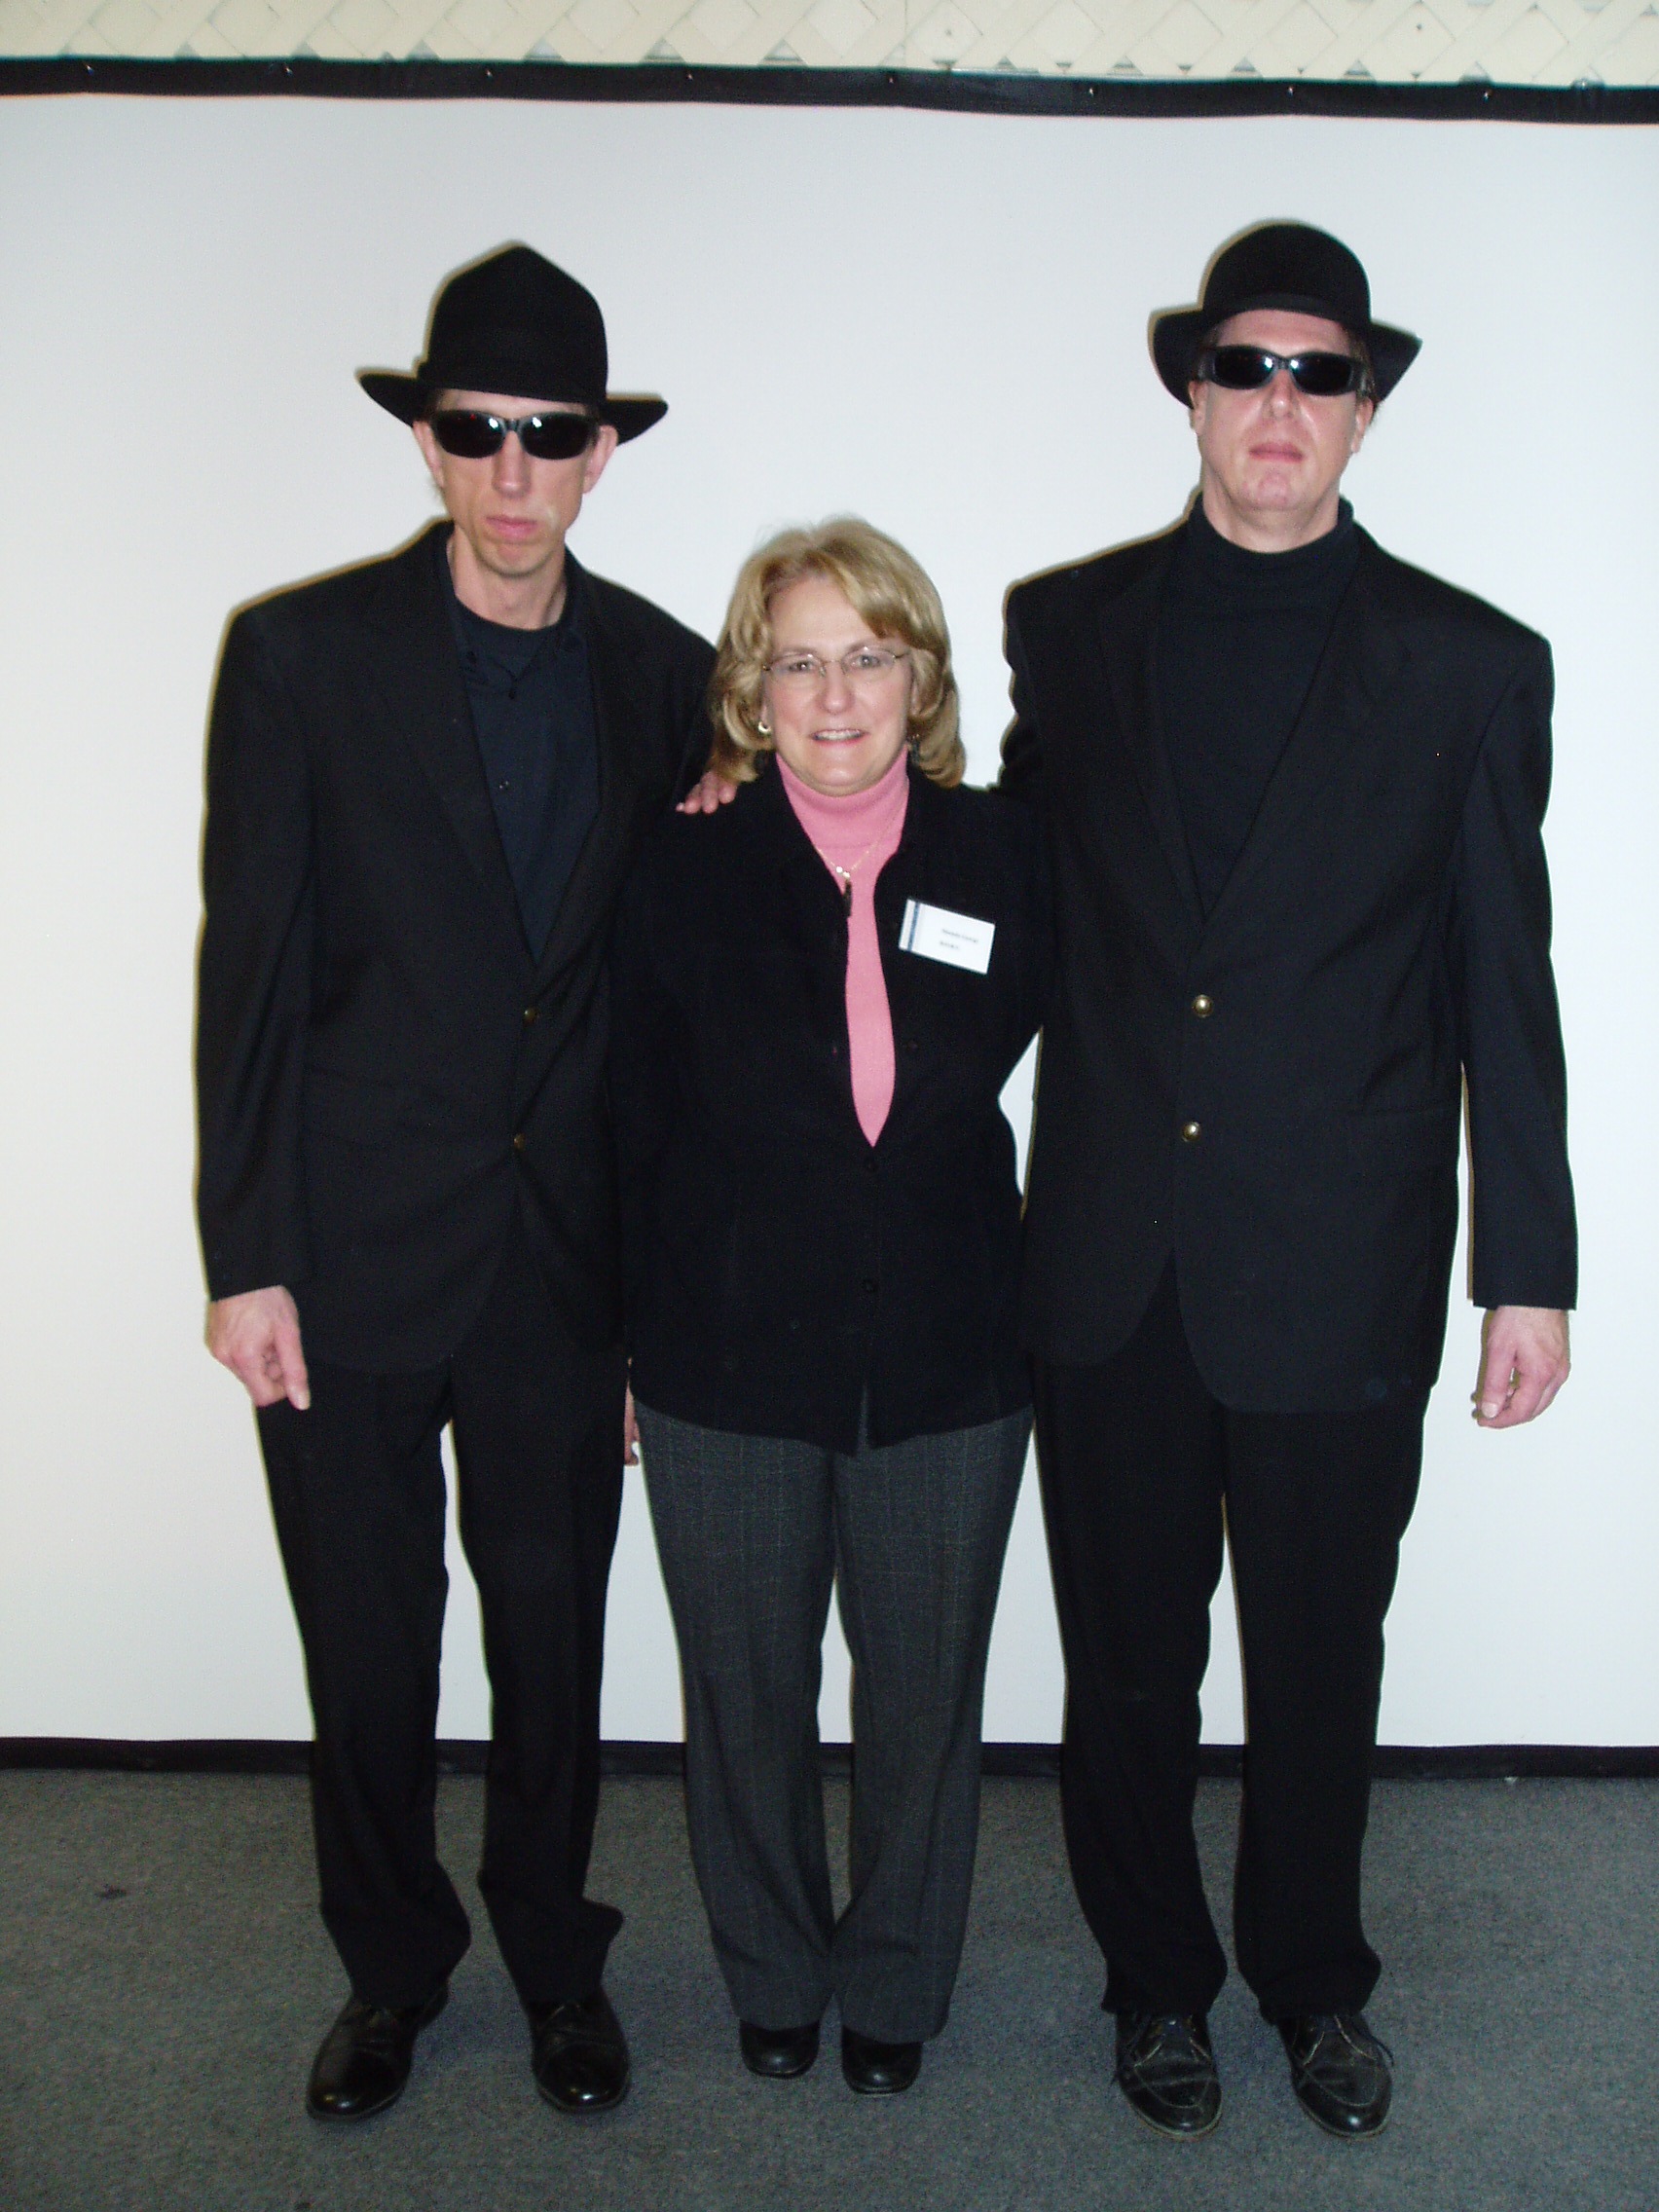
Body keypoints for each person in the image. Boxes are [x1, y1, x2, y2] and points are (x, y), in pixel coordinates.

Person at [1000, 222, 1576, 2141]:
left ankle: (1315, 1980)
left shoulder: (1471, 667)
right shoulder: (1070, 629)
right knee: (1126, 1666)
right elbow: (1015, 894)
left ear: (1364, 411)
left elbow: (1505, 978)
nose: (1280, 402)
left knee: (1323, 1661)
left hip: (1343, 1259)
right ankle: (1154, 1982)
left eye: (1320, 374)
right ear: (1193, 390)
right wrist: (786, 813)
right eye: (1246, 365)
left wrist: (1530, 1267)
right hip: (1113, 1258)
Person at [195, 244, 715, 2122]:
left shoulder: (671, 678)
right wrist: (247, 1256)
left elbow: (676, 1015)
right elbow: (250, 974)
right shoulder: (301, 658)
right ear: (426, 443)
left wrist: (666, 1302)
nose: (512, 468)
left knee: (553, 1634)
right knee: (366, 1639)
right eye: (476, 429)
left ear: (598, 455)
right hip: (344, 1251)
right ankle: (392, 1968)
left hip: (565, 1262)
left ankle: (560, 1961)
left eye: (547, 434)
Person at [608, 520, 1049, 2095]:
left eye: (870, 655)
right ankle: (776, 1972)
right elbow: (625, 1119)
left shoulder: (1008, 856)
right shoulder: (681, 860)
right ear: (754, 688)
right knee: (744, 1694)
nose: (838, 693)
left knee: (927, 1698)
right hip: (723, 1353)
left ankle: (898, 1988)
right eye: (799, 661)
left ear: (921, 675)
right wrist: (618, 1349)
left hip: (951, 1349)